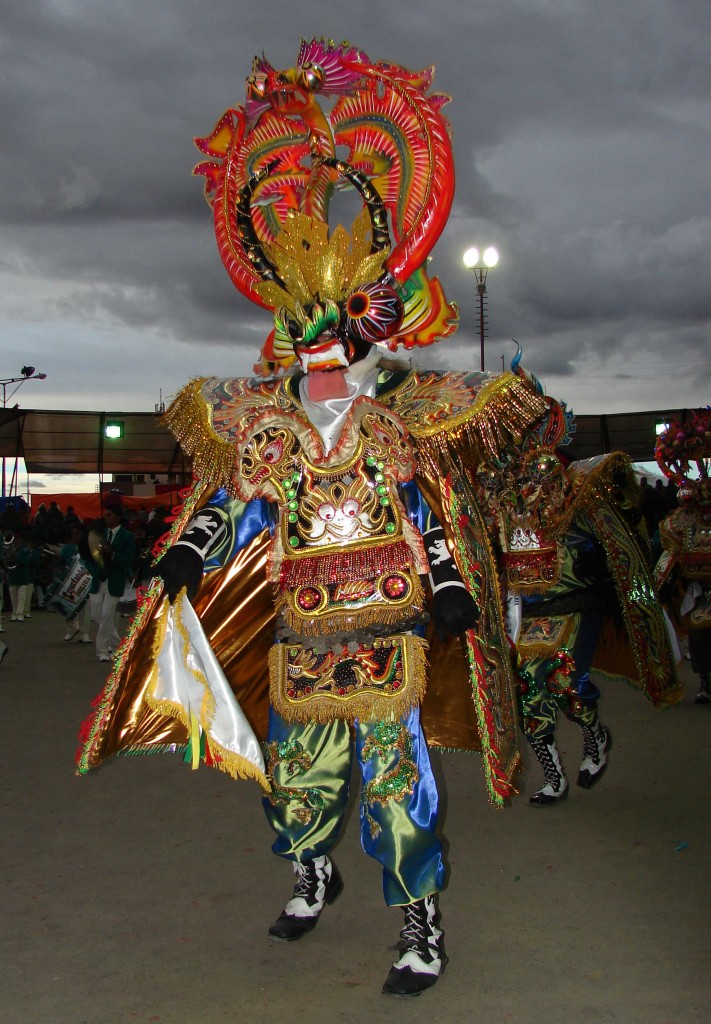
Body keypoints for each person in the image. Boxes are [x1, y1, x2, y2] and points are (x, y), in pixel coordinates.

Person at [77, 40, 553, 998]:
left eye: (334, 341)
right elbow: (227, 505)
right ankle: (311, 869)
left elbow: (432, 521)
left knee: (398, 788)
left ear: (365, 341)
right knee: (296, 782)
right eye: (306, 345)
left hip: (388, 633)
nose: (320, 362)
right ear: (290, 350)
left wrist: (455, 590)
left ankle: (420, 928)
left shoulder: (391, 428)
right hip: (303, 637)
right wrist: (185, 563)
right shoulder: (269, 433)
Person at [475, 377, 681, 805]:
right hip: (526, 613)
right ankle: (553, 777)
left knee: (568, 681)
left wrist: (595, 560)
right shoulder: (495, 499)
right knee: (529, 692)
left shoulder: (576, 492)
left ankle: (594, 736)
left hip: (573, 604)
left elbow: (613, 539)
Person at [654, 411, 711, 704]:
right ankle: (704, 681)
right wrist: (657, 588)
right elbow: (669, 555)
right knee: (700, 635)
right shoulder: (681, 521)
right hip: (698, 592)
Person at [87, 503, 135, 662]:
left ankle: (102, 651)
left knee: (107, 615)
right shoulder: (100, 533)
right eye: (105, 515)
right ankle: (120, 646)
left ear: (118, 517)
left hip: (115, 580)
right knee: (96, 615)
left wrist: (112, 554)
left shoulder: (127, 536)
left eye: (109, 515)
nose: (105, 518)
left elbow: (129, 559)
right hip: (98, 579)